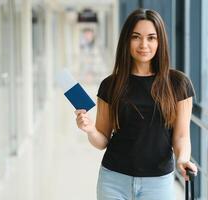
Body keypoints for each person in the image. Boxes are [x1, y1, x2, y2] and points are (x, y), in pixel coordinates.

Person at [75, 8, 197, 200]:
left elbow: (181, 136)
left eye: (151, 38)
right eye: (136, 37)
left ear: (160, 42)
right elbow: (102, 141)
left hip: (158, 183)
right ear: (126, 40)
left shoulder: (179, 84)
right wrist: (90, 130)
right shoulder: (111, 84)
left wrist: (183, 159)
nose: (144, 44)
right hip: (114, 180)